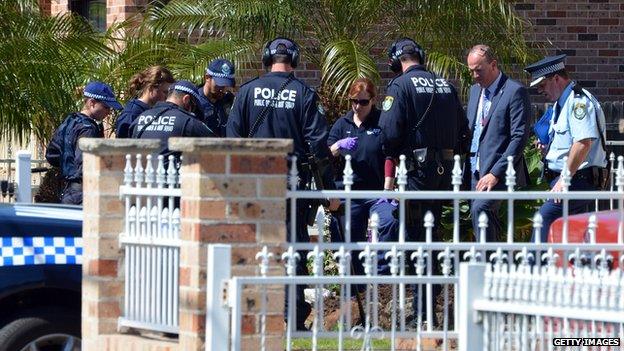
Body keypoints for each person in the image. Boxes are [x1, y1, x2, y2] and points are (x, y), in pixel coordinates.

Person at [226, 37, 336, 330]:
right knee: (294, 248)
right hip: (292, 182)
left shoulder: (247, 92)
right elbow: (318, 144)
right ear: (295, 61)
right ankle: (294, 318)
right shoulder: (304, 94)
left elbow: (232, 140)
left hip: (253, 184)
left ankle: (253, 315)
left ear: (266, 58)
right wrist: (330, 189)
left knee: (253, 247)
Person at [379, 37, 469, 326]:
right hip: (445, 175)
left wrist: (393, 155)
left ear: (396, 62)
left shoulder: (400, 86)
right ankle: (428, 307)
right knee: (432, 238)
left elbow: (389, 134)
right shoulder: (446, 86)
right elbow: (463, 133)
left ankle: (423, 313)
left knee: (418, 239)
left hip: (416, 176)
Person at [525, 54, 607, 242]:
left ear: (556, 78)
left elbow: (582, 143)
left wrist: (565, 178)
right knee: (571, 236)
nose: (540, 90)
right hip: (566, 181)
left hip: (577, 181)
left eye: (542, 85)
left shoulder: (578, 102)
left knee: (543, 219)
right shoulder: (561, 104)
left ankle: (532, 268)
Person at [327, 78, 399, 280]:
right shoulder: (343, 124)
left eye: (363, 102)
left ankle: (382, 279)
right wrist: (337, 146)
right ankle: (352, 281)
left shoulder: (381, 122)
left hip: (376, 191)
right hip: (349, 192)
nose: (358, 106)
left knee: (389, 220)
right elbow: (325, 155)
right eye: (354, 101)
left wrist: (387, 189)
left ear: (373, 100)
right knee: (345, 231)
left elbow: (389, 155)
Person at [465, 44, 531, 242]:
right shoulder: (474, 91)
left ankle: (487, 264)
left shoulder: (514, 91)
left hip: (498, 170)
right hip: (473, 168)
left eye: (479, 70)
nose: (475, 75)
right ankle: (492, 263)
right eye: (471, 71)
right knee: (482, 219)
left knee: (481, 209)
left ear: (493, 65)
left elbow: (519, 137)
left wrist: (495, 173)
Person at [46, 81, 122, 204]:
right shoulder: (88, 129)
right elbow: (86, 162)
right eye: (106, 107)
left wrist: (67, 166)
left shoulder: (71, 121)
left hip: (68, 190)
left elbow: (52, 155)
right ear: (92, 103)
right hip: (82, 192)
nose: (108, 112)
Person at [131, 80, 215, 159]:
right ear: (186, 99)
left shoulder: (141, 117)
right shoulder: (187, 121)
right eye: (194, 107)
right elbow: (215, 143)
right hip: (169, 173)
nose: (193, 111)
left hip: (139, 171)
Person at [115, 66, 175, 138]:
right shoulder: (131, 115)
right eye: (165, 92)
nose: (167, 97)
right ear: (151, 88)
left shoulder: (156, 112)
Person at [197, 59, 236, 137]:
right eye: (219, 84)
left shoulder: (229, 100)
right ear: (207, 78)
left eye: (226, 85)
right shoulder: (195, 102)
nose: (223, 90)